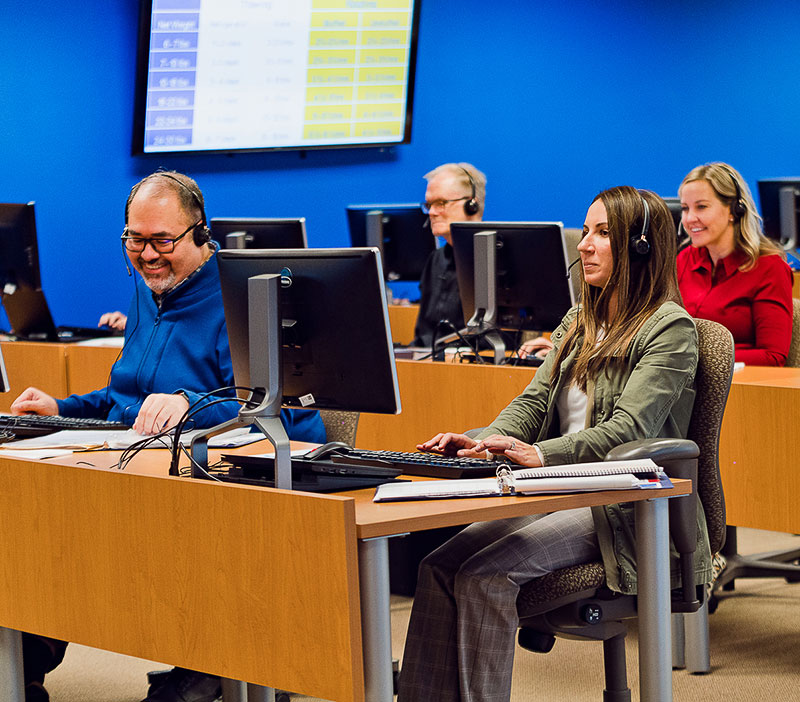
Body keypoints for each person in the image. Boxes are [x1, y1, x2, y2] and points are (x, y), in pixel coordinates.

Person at [11, 171, 325, 702]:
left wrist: (191, 404)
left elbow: (282, 409)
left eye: (163, 241)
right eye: (135, 240)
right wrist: (60, 409)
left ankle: (215, 666)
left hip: (217, 482)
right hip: (140, 464)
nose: (147, 254)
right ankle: (22, 660)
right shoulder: (149, 291)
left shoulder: (245, 296)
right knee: (40, 515)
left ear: (201, 234)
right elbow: (127, 394)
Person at [397, 187, 711, 702]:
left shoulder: (669, 328)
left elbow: (629, 431)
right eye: (585, 231)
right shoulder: (577, 322)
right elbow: (532, 402)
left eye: (604, 234)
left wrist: (541, 454)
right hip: (555, 486)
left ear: (640, 248)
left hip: (621, 501)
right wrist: (487, 441)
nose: (584, 245)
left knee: (483, 576)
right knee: (436, 566)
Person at [677, 161, 793, 366]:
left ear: (734, 210)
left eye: (701, 207)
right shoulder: (684, 260)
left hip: (742, 388)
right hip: (684, 386)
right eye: (685, 208)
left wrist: (699, 360)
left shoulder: (768, 268)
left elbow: (773, 356)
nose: (689, 218)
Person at [411, 162, 486, 347]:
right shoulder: (435, 260)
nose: (432, 212)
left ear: (472, 204)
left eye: (441, 203)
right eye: (429, 204)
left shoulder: (495, 260)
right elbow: (423, 336)